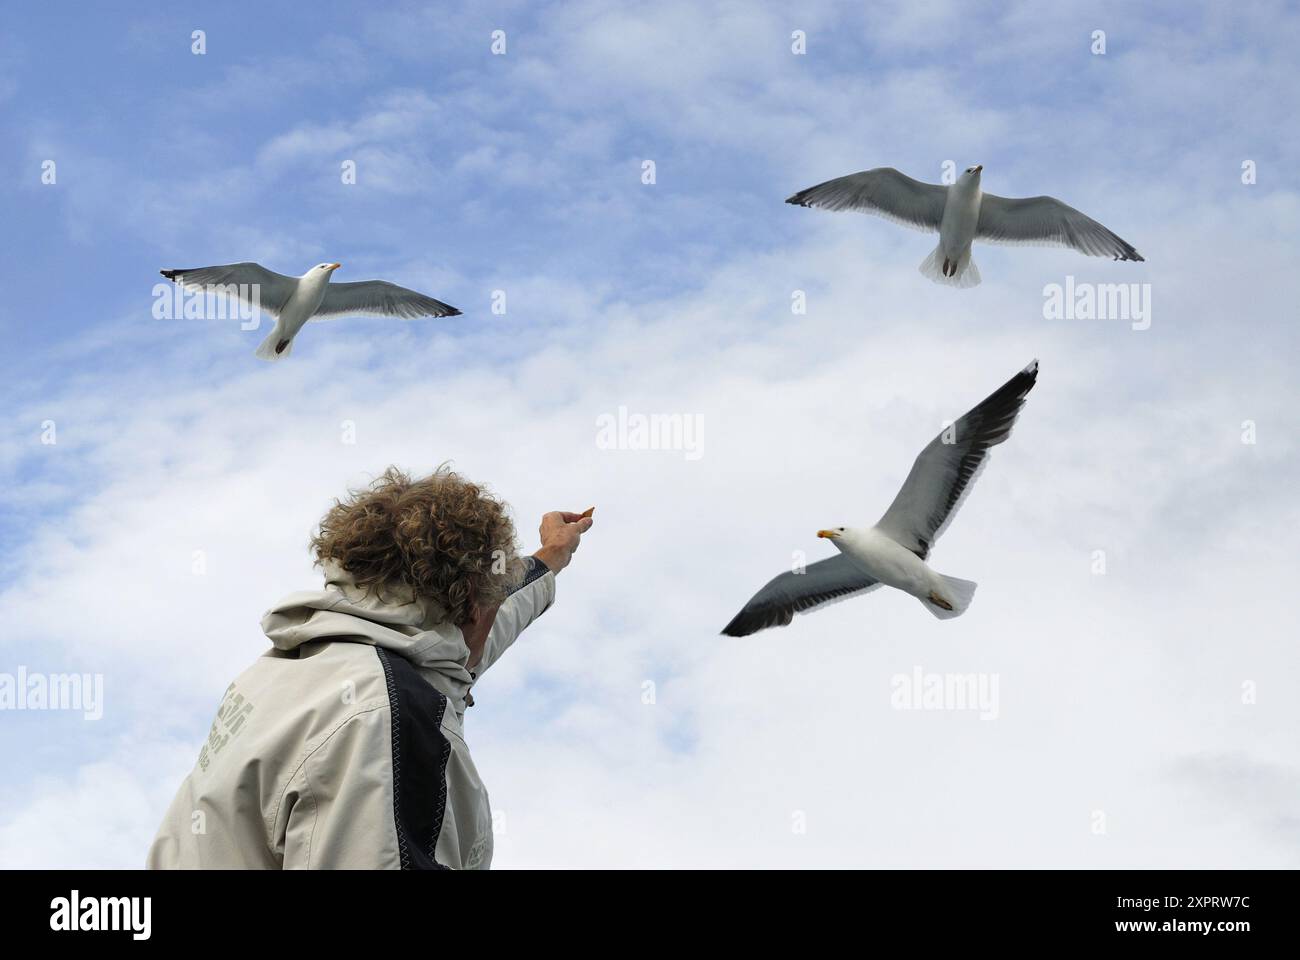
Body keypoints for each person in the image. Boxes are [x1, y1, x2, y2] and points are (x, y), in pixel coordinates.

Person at [147, 466, 592, 869]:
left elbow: (475, 637)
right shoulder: (387, 717)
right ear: (474, 609)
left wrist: (551, 555)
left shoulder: (313, 660)